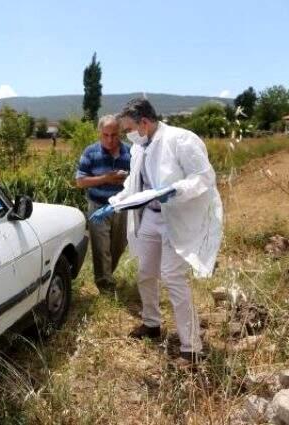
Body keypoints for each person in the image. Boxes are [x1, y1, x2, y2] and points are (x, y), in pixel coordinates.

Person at [92, 98, 223, 363]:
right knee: (146, 272)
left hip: (175, 217)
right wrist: (114, 204)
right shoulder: (141, 147)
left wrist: (175, 190)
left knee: (172, 276)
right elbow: (133, 183)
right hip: (149, 217)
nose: (127, 134)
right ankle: (151, 324)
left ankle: (191, 347)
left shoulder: (181, 140)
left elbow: (204, 177)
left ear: (145, 122)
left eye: (129, 128)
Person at [75, 115, 131, 292]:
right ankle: (104, 284)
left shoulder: (131, 152)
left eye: (114, 135)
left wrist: (126, 180)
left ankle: (108, 274)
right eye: (106, 135)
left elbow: (139, 179)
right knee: (101, 249)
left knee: (119, 246)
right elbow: (80, 181)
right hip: (98, 206)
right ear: (100, 133)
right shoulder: (90, 152)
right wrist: (105, 178)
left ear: (120, 133)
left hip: (122, 207)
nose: (110, 139)